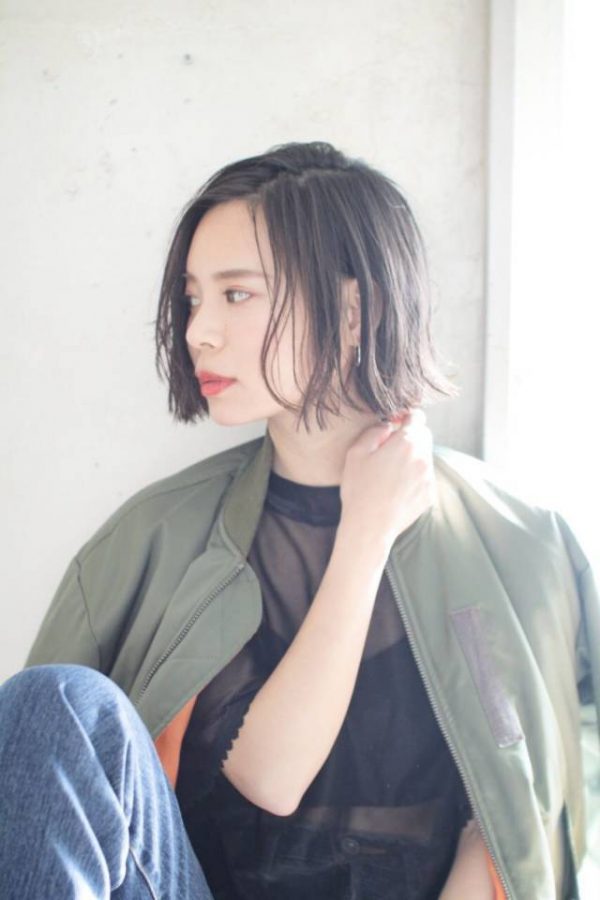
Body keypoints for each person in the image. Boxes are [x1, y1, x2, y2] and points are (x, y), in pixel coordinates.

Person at [0, 141, 596, 900]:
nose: (198, 331)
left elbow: (537, 805)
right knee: (54, 703)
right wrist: (365, 536)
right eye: (193, 299)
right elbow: (269, 779)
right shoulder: (150, 542)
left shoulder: (525, 543)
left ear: (353, 312)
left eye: (236, 294)